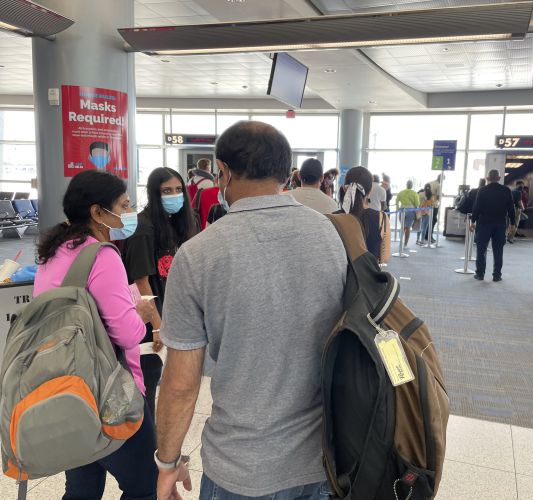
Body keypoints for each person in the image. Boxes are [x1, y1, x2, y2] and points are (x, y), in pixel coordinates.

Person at [154, 121, 347, 500]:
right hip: (322, 458)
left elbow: (181, 383)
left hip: (241, 467)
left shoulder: (197, 255)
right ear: (286, 173)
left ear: (222, 171)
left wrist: (168, 462)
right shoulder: (332, 234)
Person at [33, 170, 158, 500]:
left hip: (69, 389)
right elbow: (127, 335)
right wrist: (142, 313)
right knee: (145, 488)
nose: (129, 212)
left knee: (82, 489)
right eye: (124, 205)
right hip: (112, 394)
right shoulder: (102, 256)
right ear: (98, 212)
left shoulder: (53, 251)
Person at [121, 167, 196, 422]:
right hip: (148, 319)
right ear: (155, 193)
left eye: (178, 190)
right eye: (167, 191)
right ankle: (146, 440)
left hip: (167, 314)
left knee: (161, 380)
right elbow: (141, 280)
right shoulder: (143, 227)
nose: (174, 195)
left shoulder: (175, 224)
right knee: (147, 383)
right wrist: (156, 325)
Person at [470, 169, 515, 282]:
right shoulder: (506, 190)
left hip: (484, 223)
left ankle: (480, 274)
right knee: (498, 250)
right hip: (500, 224)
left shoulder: (482, 190)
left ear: (488, 178)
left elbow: (477, 207)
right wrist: (512, 223)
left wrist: (473, 221)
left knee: (481, 249)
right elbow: (511, 208)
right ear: (499, 178)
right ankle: (497, 275)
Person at [339, 166, 391, 264]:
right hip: (369, 272)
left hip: (339, 272)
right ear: (370, 191)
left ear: (345, 188)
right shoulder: (382, 218)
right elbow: (384, 258)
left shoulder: (333, 217)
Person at [396, 180, 420, 247]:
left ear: (406, 185)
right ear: (412, 185)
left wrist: (398, 208)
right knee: (408, 228)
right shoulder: (414, 193)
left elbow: (396, 201)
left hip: (402, 210)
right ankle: (405, 244)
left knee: (402, 227)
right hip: (411, 211)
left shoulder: (401, 192)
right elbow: (417, 204)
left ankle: (400, 242)